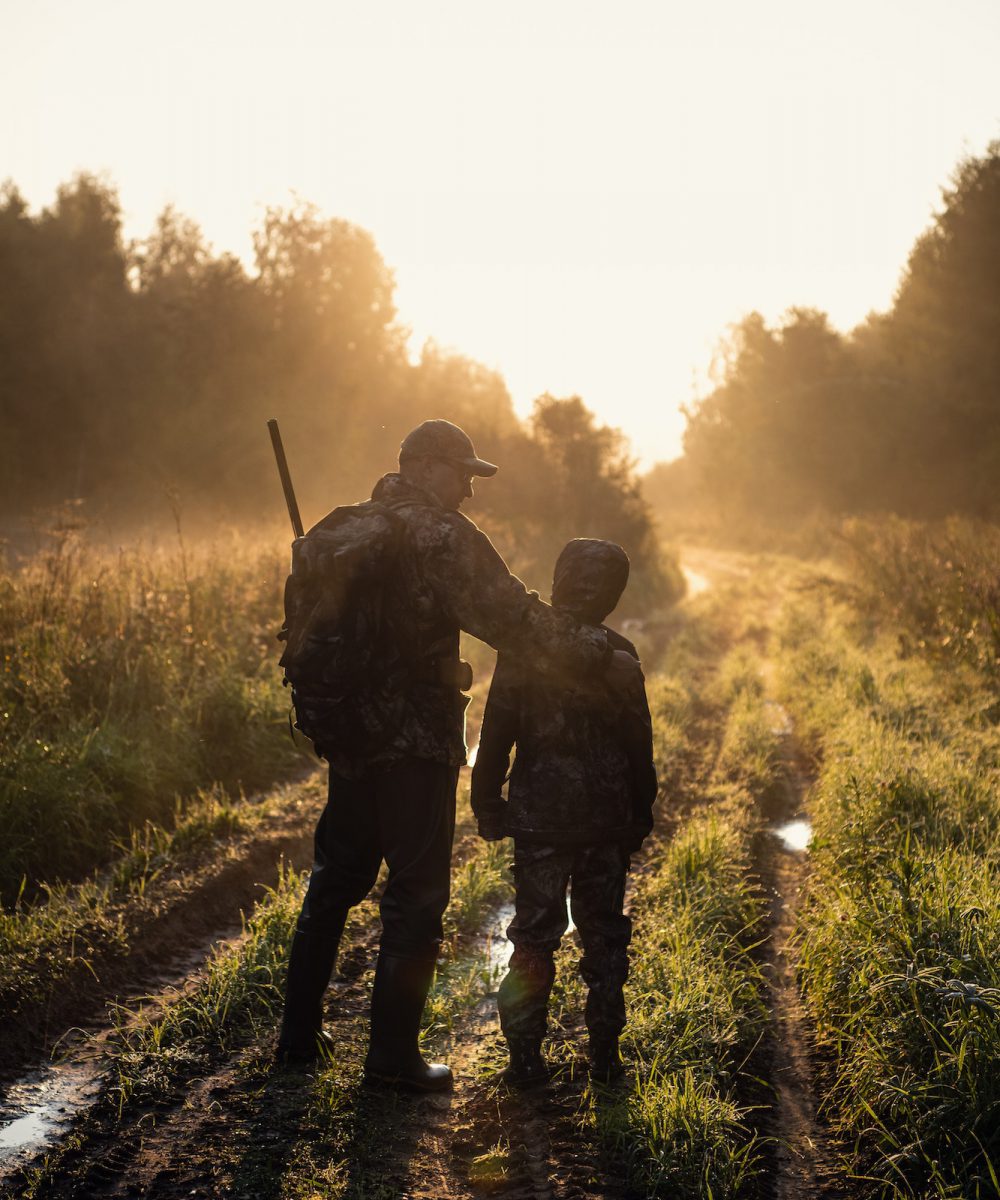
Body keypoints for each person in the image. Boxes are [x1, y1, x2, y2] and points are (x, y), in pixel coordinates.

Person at [275, 420, 641, 1090]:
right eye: (463, 475)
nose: (469, 493)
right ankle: (392, 1061)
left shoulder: (345, 526)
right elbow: (515, 620)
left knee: (336, 878)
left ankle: (297, 1038)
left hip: (350, 737)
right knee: (416, 896)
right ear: (428, 467)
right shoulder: (439, 534)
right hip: (414, 743)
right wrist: (596, 652)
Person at [471, 538, 658, 1086]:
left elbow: (496, 730)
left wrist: (487, 801)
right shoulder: (619, 654)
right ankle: (605, 1059)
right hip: (605, 821)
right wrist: (640, 813)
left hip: (540, 819)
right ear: (614, 594)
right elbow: (638, 744)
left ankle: (525, 1061)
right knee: (603, 937)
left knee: (533, 937)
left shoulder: (525, 651)